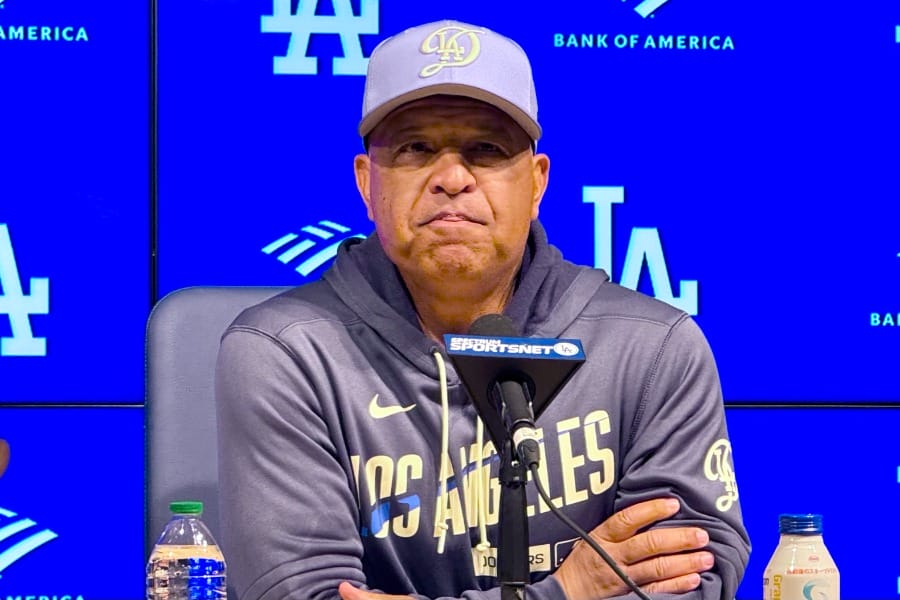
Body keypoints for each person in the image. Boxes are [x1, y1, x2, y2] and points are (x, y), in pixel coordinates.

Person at [215, 19, 750, 600]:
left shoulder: (651, 347)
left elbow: (691, 581)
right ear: (367, 184)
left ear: (537, 184)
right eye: (416, 148)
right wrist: (568, 592)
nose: (451, 178)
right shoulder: (288, 352)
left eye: (486, 150)